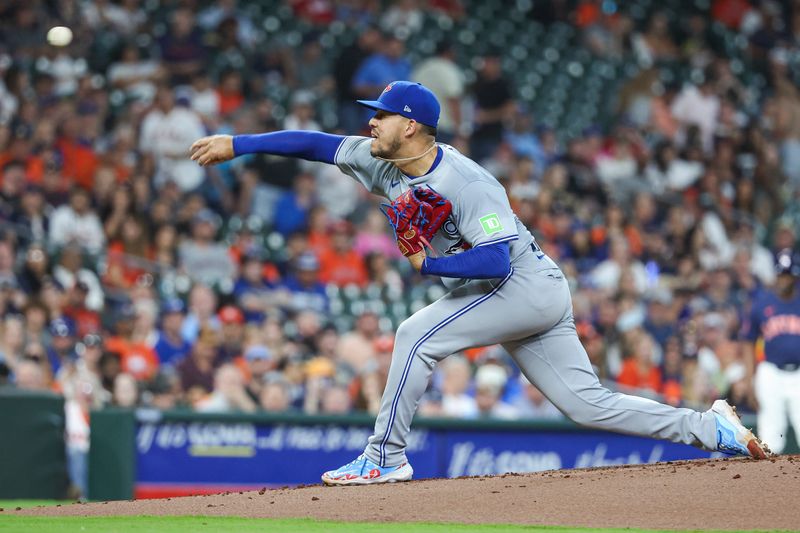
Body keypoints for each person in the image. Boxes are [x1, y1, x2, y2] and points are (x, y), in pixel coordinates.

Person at [190, 80, 769, 486]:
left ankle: (383, 458)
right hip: (516, 290)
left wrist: (429, 266)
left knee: (417, 334)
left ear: (411, 125)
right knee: (587, 406)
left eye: (382, 114)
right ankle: (709, 428)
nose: (371, 121)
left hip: (520, 283)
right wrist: (239, 144)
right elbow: (314, 144)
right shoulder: (377, 158)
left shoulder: (467, 181)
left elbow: (494, 262)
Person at [742, 249, 800, 454]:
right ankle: (770, 486)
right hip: (771, 373)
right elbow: (748, 342)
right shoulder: (762, 303)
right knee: (770, 441)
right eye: (781, 274)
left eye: (788, 274)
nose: (784, 279)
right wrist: (750, 378)